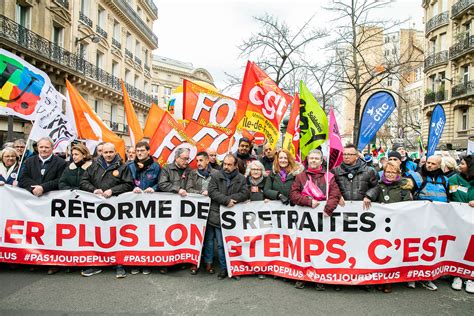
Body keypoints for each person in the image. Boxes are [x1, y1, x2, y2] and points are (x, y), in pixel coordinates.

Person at [290, 149, 342, 290]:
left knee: (321, 249)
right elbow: (294, 195)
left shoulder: (329, 176)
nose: (313, 160)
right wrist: (308, 202)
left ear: (321, 161)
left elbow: (335, 193)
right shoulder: (300, 177)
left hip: (322, 220)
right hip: (305, 221)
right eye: (311, 158)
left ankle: (320, 278)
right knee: (305, 249)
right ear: (308, 160)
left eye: (316, 158)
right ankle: (302, 277)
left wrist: (328, 208)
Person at [79, 142, 133, 279]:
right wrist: (93, 190)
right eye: (105, 152)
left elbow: (128, 184)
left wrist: (112, 191)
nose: (108, 155)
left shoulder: (123, 167)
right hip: (97, 208)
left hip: (115, 208)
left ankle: (119, 265)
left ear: (115, 152)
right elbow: (84, 181)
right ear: (101, 152)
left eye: (111, 152)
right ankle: (96, 264)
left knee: (115, 235)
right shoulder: (94, 165)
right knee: (97, 235)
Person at [207, 154, 249, 280]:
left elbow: (245, 193)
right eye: (225, 164)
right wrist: (226, 201)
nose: (226, 167)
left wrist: (232, 200)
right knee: (220, 244)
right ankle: (224, 269)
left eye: (230, 165)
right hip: (217, 216)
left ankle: (234, 268)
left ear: (236, 166)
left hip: (233, 217)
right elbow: (212, 191)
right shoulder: (215, 176)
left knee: (233, 244)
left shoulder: (241, 178)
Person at [126, 141, 161, 276]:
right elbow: (125, 182)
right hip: (133, 205)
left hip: (149, 207)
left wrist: (154, 188)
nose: (139, 153)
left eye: (142, 150)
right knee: (133, 234)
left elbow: (160, 182)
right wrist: (131, 187)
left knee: (147, 234)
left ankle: (146, 262)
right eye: (137, 151)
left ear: (148, 151)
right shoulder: (130, 166)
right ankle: (135, 262)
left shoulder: (156, 167)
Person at [158, 147, 192, 274]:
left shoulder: (189, 170)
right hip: (169, 208)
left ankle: (180, 261)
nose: (186, 161)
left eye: (188, 159)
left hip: (183, 209)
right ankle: (165, 262)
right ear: (176, 158)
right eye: (184, 158)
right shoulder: (167, 168)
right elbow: (162, 184)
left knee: (181, 234)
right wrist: (177, 189)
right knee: (167, 235)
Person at [185, 151, 218, 275]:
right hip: (196, 210)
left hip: (212, 209)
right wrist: (202, 193)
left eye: (201, 160)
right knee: (196, 237)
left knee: (209, 238)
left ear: (207, 160)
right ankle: (195, 262)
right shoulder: (193, 173)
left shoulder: (216, 174)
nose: (198, 163)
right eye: (197, 161)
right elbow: (189, 189)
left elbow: (218, 189)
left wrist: (210, 193)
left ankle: (208, 263)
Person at [448, 155, 474, 294]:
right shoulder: (453, 179)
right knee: (457, 246)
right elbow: (447, 197)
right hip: (457, 219)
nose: (459, 165)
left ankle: (470, 277)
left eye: (463, 163)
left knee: (471, 249)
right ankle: (456, 275)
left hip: (472, 221)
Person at [332, 144, 378, 210]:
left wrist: (369, 196)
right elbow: (330, 188)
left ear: (356, 156)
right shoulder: (335, 171)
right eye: (344, 154)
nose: (346, 157)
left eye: (350, 154)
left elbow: (376, 186)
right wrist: (337, 196)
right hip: (342, 210)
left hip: (362, 210)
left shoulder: (369, 171)